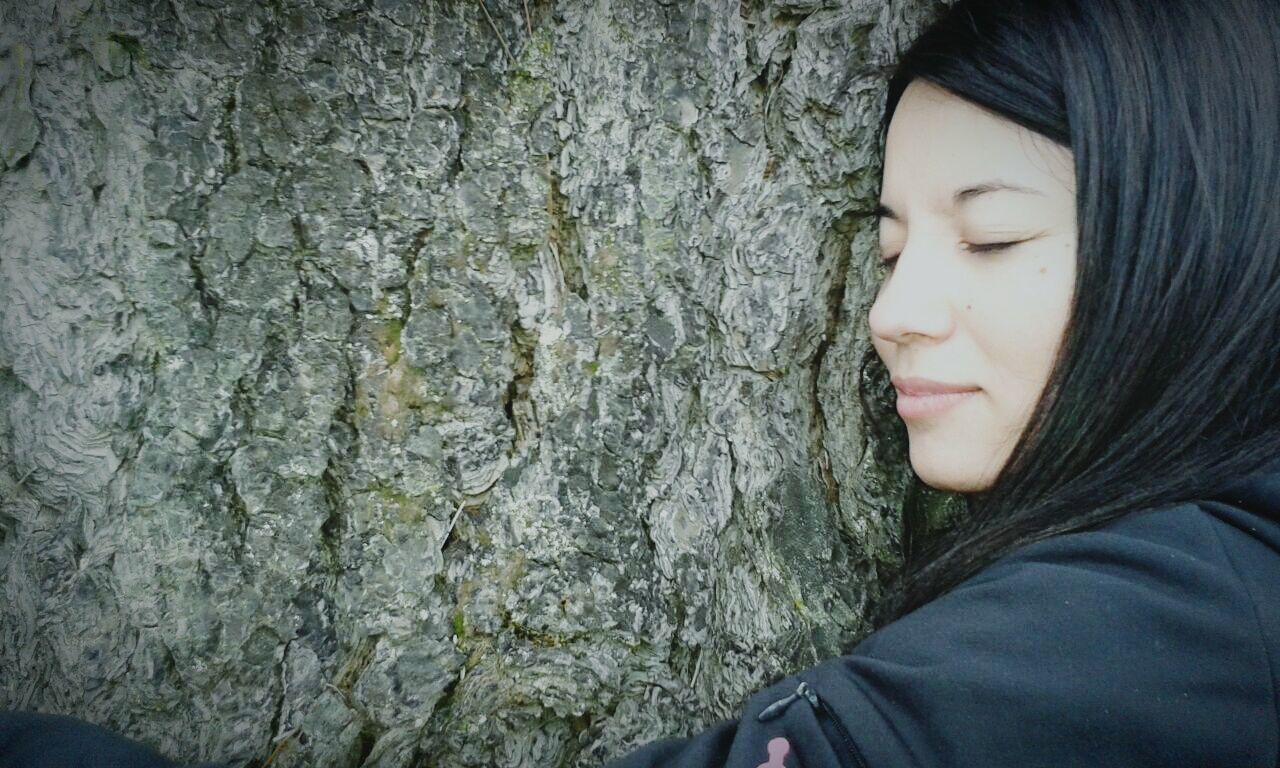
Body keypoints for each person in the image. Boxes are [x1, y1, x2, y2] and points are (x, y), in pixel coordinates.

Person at [4, 0, 1278, 765]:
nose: (891, 315)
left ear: (1194, 242)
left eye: (990, 236)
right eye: (885, 247)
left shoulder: (1172, 624)